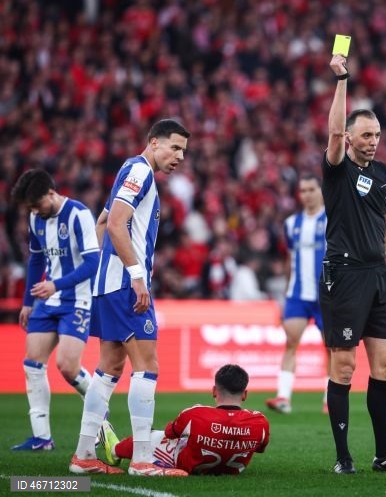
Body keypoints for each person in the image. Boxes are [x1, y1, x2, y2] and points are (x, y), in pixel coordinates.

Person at [69, 118, 191, 477]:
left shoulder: (129, 169)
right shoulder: (140, 172)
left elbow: (103, 223)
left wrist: (103, 271)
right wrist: (136, 275)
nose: (180, 156)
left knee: (108, 368)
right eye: (175, 147)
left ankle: (83, 455)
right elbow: (118, 222)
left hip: (111, 283)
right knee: (147, 365)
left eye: (183, 150)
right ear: (153, 142)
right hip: (126, 284)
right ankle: (141, 461)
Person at [320, 53, 386, 474]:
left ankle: (384, 453)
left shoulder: (383, 174)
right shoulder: (337, 168)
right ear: (350, 136)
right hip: (344, 275)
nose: (373, 140)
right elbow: (334, 131)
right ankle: (343, 457)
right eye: (366, 134)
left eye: (377, 134)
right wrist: (343, 81)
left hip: (378, 277)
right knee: (344, 365)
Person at [10, 169, 99, 451]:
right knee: (32, 363)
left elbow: (92, 263)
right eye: (30, 207)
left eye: (37, 204)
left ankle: (99, 406)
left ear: (51, 193)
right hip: (47, 301)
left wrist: (56, 285)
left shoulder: (79, 215)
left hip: (77, 299)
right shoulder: (37, 218)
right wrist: (27, 301)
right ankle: (42, 438)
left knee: (67, 366)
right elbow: (35, 261)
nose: (34, 210)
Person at [98, 364, 270, 475]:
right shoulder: (260, 422)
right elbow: (260, 449)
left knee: (154, 436)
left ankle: (114, 450)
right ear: (245, 394)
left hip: (189, 466)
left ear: (214, 391)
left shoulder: (195, 413)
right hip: (231, 470)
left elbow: (170, 433)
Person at [266, 174, 329, 414]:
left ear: (320, 191)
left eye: (311, 189)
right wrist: (286, 289)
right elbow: (290, 257)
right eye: (303, 190)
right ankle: (283, 397)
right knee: (291, 342)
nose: (307, 195)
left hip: (326, 294)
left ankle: (329, 399)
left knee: (330, 347)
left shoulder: (332, 219)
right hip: (298, 294)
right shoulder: (291, 223)